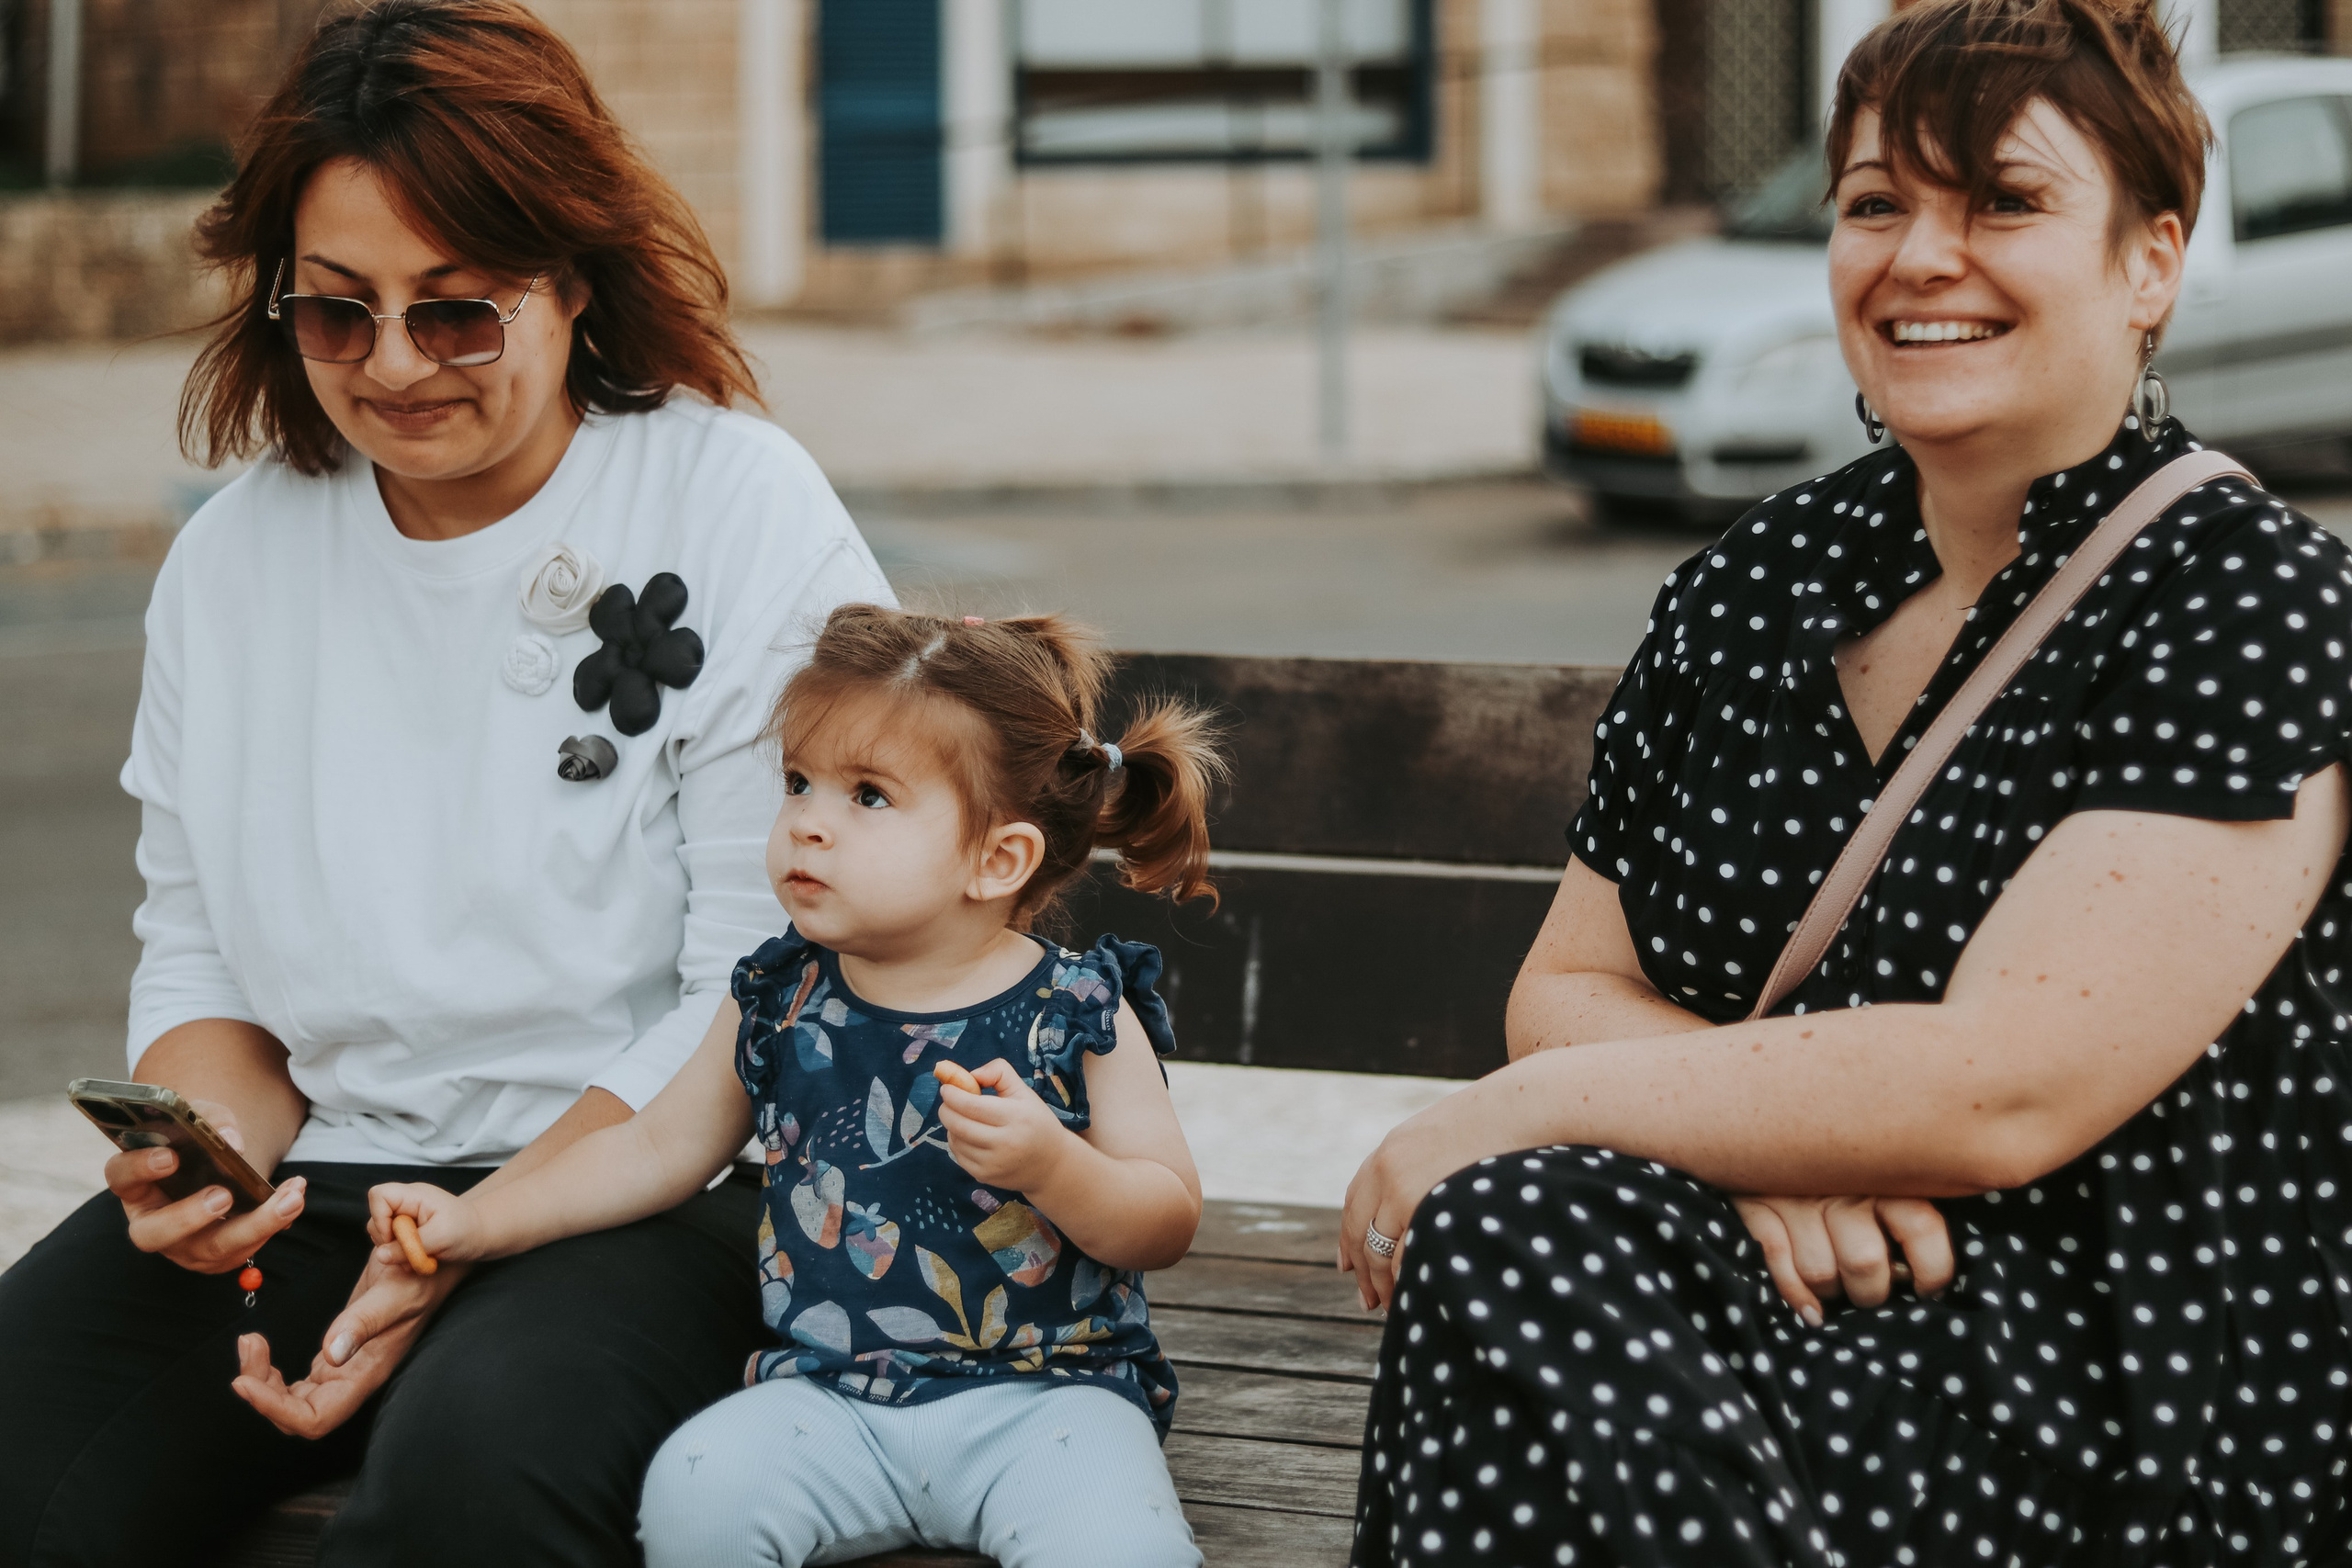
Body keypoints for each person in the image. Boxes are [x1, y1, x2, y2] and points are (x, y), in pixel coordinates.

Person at [1340, 1, 2352, 1562]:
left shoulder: (2248, 602)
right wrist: (1752, 1161)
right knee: (1518, 1240)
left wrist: (1538, 1111)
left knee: (1508, 1223)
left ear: (2152, 260)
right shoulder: (1759, 581)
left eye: (2004, 202)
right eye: (1877, 203)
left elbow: (2009, 1085)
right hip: (1789, 1310)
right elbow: (1570, 981)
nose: (1921, 256)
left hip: (2115, 1398)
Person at [0, 4, 892, 1563]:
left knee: (465, 1496)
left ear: (570, 279)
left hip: (662, 1195)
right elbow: (206, 954)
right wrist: (200, 1160)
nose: (393, 366)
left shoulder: (731, 500)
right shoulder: (232, 565)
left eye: (456, 313)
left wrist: (480, 1228)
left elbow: (767, 981)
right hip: (331, 1188)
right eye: (336, 314)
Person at [345, 604, 1220, 1567]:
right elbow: (653, 1148)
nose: (807, 822)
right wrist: (479, 1222)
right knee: (697, 1488)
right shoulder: (781, 990)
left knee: (1121, 1552)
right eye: (798, 783)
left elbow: (1166, 1216)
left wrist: (1054, 1165)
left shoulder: (1076, 1012)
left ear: (996, 858)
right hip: (830, 1400)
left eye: (868, 797)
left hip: (1048, 1406)